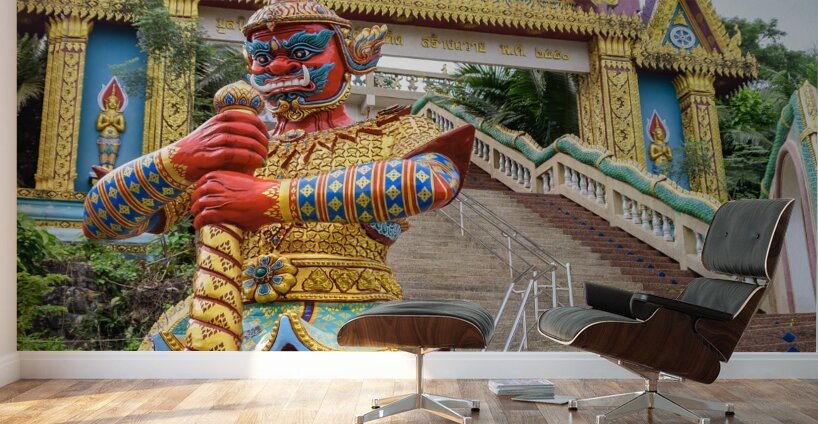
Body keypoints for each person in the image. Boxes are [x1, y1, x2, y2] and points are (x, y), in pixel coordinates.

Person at [82, 0, 475, 351]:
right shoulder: (235, 150)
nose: (279, 66)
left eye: (302, 52)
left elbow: (433, 180)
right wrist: (179, 157)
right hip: (221, 317)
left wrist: (269, 199)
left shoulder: (393, 133)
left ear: (354, 56)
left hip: (349, 313)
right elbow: (102, 222)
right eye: (262, 57)